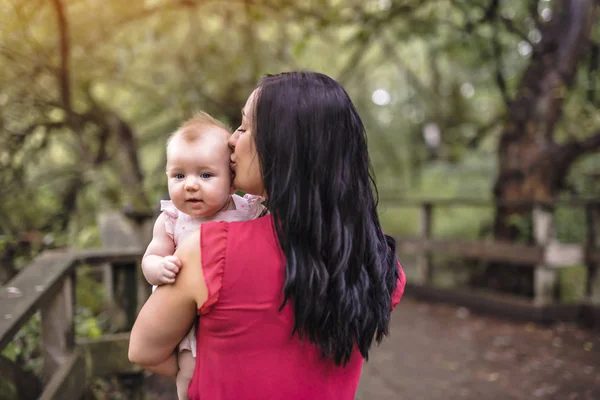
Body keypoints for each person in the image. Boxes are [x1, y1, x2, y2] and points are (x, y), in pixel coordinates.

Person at [129, 71, 406, 400]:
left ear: (282, 146)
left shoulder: (211, 251)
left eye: (244, 127)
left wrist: (211, 375)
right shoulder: (379, 263)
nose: (232, 139)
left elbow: (143, 351)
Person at [140, 112, 264, 400]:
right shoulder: (171, 220)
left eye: (206, 175)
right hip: (186, 321)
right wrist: (159, 267)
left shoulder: (246, 211)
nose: (191, 185)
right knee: (190, 376)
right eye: (179, 175)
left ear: (233, 182)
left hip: (232, 317)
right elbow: (150, 258)